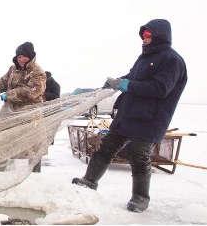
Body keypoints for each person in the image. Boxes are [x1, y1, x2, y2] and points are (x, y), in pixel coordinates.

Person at [72, 19, 187, 213]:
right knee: (106, 148)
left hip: (151, 117)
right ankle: (89, 181)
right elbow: (133, 77)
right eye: (143, 35)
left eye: (148, 35)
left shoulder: (171, 60)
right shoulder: (144, 58)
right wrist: (119, 81)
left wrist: (127, 86)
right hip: (129, 113)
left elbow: (160, 88)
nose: (144, 38)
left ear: (160, 36)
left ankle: (140, 198)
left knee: (139, 155)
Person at [0, 42, 46, 172]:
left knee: (31, 143)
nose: (21, 59)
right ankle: (1, 169)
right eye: (19, 56)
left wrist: (9, 94)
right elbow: (3, 82)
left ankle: (33, 172)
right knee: (3, 139)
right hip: (9, 111)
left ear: (31, 56)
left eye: (24, 56)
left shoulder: (38, 72)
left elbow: (33, 91)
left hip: (29, 113)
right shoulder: (13, 69)